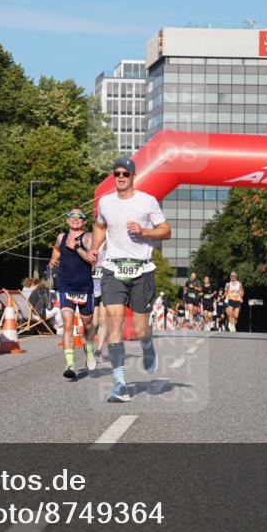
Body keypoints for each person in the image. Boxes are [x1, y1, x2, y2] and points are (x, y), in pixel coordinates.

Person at [88, 157, 171, 403]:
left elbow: (166, 230)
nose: (121, 177)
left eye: (125, 173)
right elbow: (100, 226)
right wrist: (95, 248)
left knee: (139, 329)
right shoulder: (105, 202)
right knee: (114, 322)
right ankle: (120, 384)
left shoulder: (147, 202)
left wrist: (144, 232)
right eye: (117, 173)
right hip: (113, 269)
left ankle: (147, 344)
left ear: (134, 175)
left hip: (142, 271)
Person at [48, 206, 98, 380]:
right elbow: (56, 248)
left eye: (79, 217)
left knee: (88, 325)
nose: (75, 219)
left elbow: (92, 260)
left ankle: (89, 349)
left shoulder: (89, 237)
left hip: (84, 287)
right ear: (67, 219)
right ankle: (70, 364)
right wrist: (53, 259)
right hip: (66, 286)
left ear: (84, 221)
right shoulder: (61, 237)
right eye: (72, 216)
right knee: (68, 324)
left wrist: (76, 247)